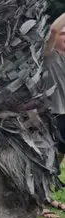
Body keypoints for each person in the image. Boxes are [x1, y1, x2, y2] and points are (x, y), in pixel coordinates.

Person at [46, 14, 65, 171]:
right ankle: (45, 188)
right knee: (53, 153)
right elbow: (53, 29)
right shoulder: (49, 55)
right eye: (63, 34)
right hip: (55, 113)